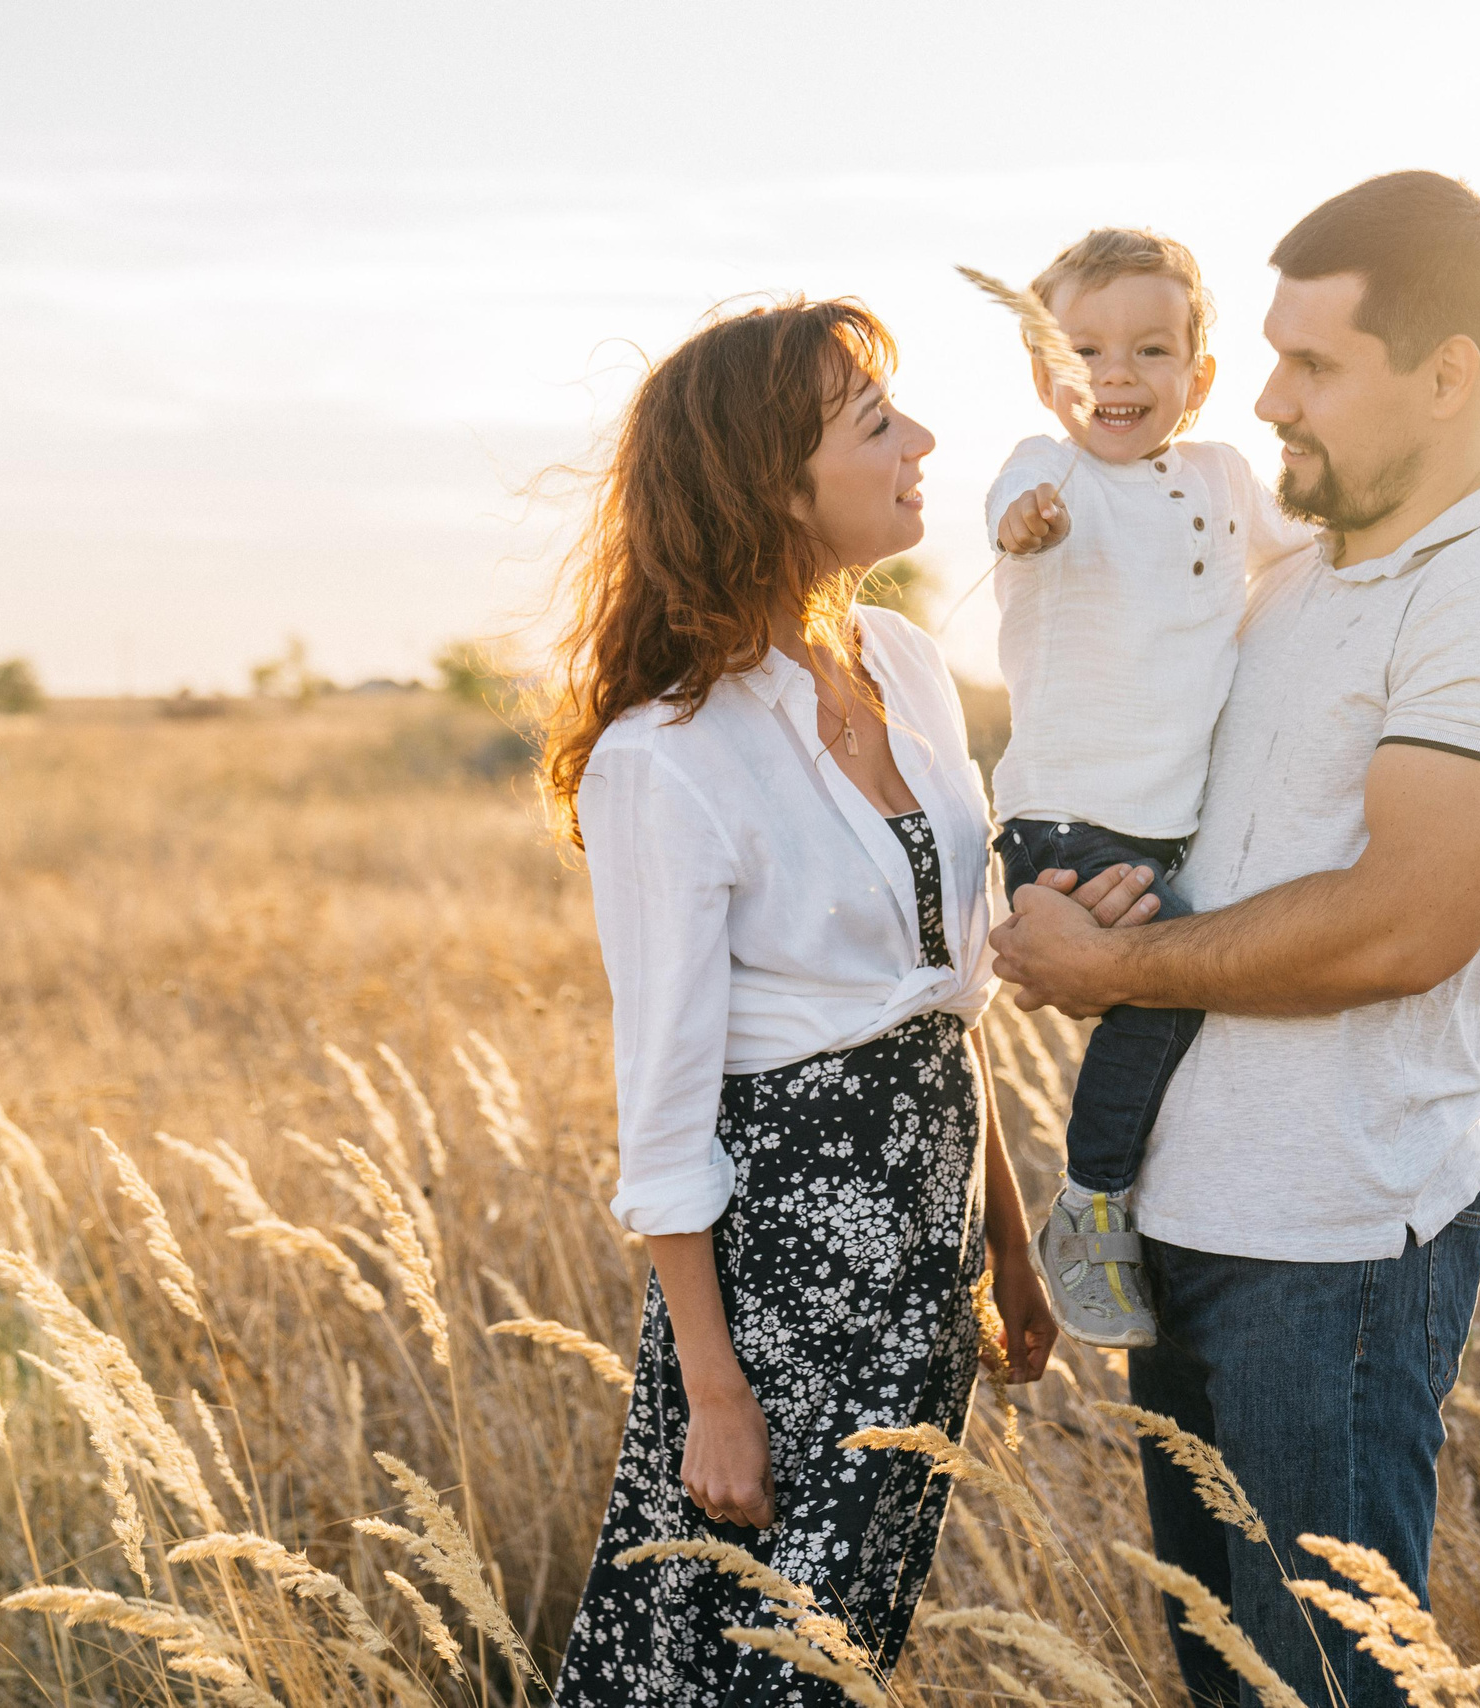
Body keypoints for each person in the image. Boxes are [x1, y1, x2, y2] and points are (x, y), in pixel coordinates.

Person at [991, 172, 1480, 1708]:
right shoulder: (1295, 579)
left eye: (1315, 366)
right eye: (1268, 356)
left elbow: (1404, 924)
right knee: (1229, 1679)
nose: (1266, 399)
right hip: (1193, 1222)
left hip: (1330, 1250)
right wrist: (1082, 904)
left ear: (1448, 374)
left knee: (1325, 1684)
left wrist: (1120, 970)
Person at [540, 297, 1057, 1707]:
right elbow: (662, 1110)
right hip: (780, 1277)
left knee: (850, 1646)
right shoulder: (669, 755)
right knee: (742, 1658)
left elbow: (945, 1003)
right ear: (775, 483)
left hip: (922, 1253)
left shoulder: (902, 666)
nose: (923, 442)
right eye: (876, 424)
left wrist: (1007, 1246)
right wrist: (712, 1392)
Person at [981, 227, 1311, 1349]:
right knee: (1164, 988)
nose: (1115, 375)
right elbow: (1012, 518)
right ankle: (1089, 1198)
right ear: (1044, 375)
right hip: (1065, 820)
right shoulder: (1047, 470)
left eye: (1150, 350)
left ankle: (1121, 1192)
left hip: (1163, 827)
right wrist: (1029, 528)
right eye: (1083, 352)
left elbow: (1305, 546)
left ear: (1198, 377)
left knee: (1165, 991)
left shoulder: (1221, 474)